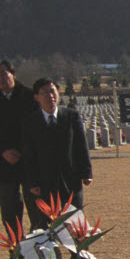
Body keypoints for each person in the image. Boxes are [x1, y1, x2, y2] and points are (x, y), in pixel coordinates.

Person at [19, 77, 92, 228]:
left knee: (76, 223)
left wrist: (86, 173)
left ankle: (78, 252)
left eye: (53, 91)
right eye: (45, 93)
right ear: (37, 97)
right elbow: (29, 155)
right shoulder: (30, 123)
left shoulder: (71, 116)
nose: (50, 96)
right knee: (46, 225)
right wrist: (32, 182)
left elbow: (81, 146)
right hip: (44, 182)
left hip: (70, 179)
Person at [0, 59, 37, 235]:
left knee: (37, 210)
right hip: (4, 163)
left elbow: (37, 129)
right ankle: (16, 251)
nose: (0, 78)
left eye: (4, 73)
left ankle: (41, 251)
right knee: (9, 212)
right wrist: (2, 152)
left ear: (13, 74)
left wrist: (24, 151)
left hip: (30, 162)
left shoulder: (30, 96)